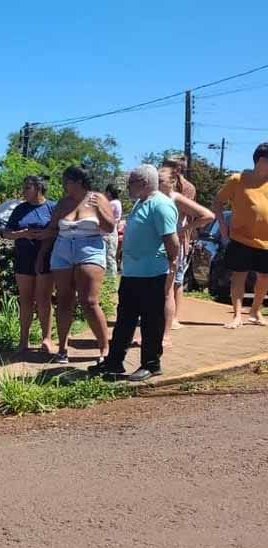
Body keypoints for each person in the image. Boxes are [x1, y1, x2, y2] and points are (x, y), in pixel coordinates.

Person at [90, 165, 179, 382]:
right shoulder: (141, 203)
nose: (128, 187)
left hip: (152, 274)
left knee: (151, 321)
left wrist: (171, 266)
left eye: (131, 183)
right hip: (133, 274)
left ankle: (151, 364)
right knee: (125, 320)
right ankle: (115, 362)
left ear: (144, 183)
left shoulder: (161, 205)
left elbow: (172, 242)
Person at [39, 166, 116, 364]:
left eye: (67, 181)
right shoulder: (63, 203)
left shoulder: (97, 198)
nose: (64, 185)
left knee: (89, 301)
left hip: (89, 247)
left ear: (78, 181)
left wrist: (99, 210)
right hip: (63, 250)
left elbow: (109, 227)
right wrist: (28, 236)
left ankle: (105, 347)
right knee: (64, 299)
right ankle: (63, 348)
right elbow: (52, 228)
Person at [212, 142, 268, 329]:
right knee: (239, 276)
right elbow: (218, 202)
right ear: (260, 160)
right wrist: (222, 227)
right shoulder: (238, 179)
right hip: (241, 238)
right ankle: (237, 315)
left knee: (264, 278)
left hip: (266, 242)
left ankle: (255, 310)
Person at [157, 165, 215, 340]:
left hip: (173, 246)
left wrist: (185, 229)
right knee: (158, 289)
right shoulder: (154, 197)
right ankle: (155, 331)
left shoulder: (176, 198)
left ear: (171, 182)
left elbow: (207, 216)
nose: (156, 184)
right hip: (156, 247)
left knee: (169, 288)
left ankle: (166, 333)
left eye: (160, 181)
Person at [3, 175, 56, 353]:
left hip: (46, 257)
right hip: (23, 257)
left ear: (38, 188)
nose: (24, 191)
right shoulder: (19, 209)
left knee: (44, 299)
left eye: (27, 187)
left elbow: (60, 230)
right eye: (24, 187)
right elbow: (7, 233)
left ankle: (46, 339)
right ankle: (23, 340)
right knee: (25, 299)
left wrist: (47, 234)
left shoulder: (51, 207)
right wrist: (23, 234)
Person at [103, 184, 124, 276]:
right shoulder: (115, 203)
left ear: (109, 192)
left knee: (109, 257)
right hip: (108, 233)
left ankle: (111, 279)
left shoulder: (113, 203)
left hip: (109, 234)